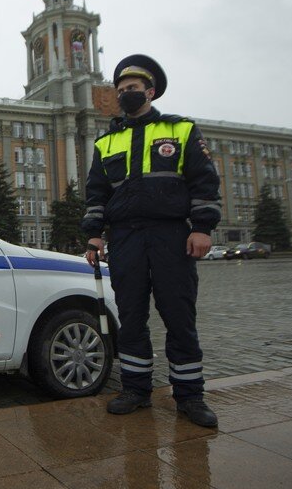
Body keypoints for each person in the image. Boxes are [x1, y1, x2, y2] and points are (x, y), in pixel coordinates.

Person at [82, 54, 222, 427]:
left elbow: (204, 181)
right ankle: (135, 389)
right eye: (122, 89)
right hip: (125, 238)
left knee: (179, 315)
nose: (127, 94)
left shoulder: (181, 130)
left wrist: (202, 227)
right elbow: (96, 193)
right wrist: (94, 237)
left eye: (133, 88)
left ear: (150, 90)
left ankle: (190, 396)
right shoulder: (106, 142)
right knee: (130, 316)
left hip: (171, 235)